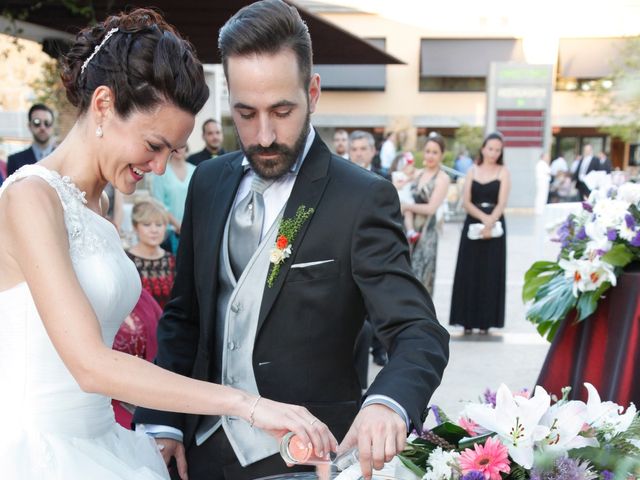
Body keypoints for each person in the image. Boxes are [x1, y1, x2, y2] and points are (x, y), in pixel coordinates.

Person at [0, 8, 335, 480]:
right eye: (154, 145)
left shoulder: (97, 204)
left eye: (172, 152)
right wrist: (246, 405)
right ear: (102, 104)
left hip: (101, 442)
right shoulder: (29, 197)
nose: (159, 167)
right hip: (37, 454)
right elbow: (91, 366)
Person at [133, 2, 449, 480]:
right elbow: (185, 316)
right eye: (246, 113)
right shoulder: (208, 182)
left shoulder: (361, 197)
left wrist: (388, 404)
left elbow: (418, 331)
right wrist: (163, 422)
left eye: (282, 111)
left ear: (313, 92)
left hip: (311, 459)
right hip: (200, 456)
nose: (263, 136)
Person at [450, 132, 510, 335]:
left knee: (491, 272)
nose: (493, 153)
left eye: (497, 149)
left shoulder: (503, 171)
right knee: (469, 271)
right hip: (473, 223)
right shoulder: (472, 170)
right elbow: (466, 201)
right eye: (490, 148)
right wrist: (483, 220)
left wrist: (490, 221)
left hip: (495, 224)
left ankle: (487, 321)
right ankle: (466, 319)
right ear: (483, 148)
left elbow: (502, 202)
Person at [401, 134, 450, 295]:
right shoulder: (419, 174)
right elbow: (400, 183)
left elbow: (431, 208)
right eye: (427, 151)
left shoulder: (442, 178)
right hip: (408, 230)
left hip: (426, 232)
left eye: (435, 152)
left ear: (442, 154)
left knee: (422, 277)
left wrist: (407, 206)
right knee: (405, 276)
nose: (430, 155)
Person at [127, 199, 176, 309]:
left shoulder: (173, 261)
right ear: (135, 227)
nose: (154, 230)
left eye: (159, 225)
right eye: (147, 224)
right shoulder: (125, 261)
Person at [152, 144, 195, 254]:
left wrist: (188, 226)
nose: (179, 149)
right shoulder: (161, 172)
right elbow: (158, 204)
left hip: (192, 230)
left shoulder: (195, 170)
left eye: (182, 145)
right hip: (169, 233)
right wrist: (178, 225)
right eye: (176, 145)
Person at [7, 103, 56, 177]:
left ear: (52, 126)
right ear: (30, 126)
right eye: (37, 122)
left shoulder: (64, 158)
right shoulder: (15, 160)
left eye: (47, 123)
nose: (42, 127)